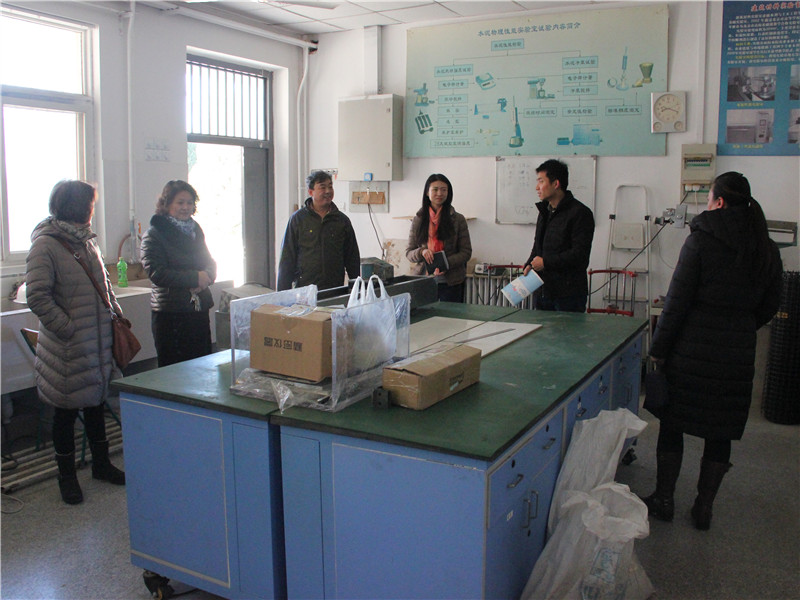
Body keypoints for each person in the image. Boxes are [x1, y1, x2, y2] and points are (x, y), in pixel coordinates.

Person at [641, 171, 782, 531]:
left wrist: (657, 350)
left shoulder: (701, 241)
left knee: (673, 424)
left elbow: (676, 303)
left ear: (718, 202)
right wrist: (740, 327)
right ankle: (704, 508)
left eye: (708, 199)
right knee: (721, 431)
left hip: (690, 352)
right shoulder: (766, 248)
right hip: (737, 355)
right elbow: (770, 305)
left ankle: (664, 499)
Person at [26, 180, 126, 505]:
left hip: (95, 343)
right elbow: (37, 297)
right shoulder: (46, 245)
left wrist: (115, 312)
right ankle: (66, 477)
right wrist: (68, 329)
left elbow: (104, 282)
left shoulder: (87, 240)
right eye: (90, 204)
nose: (92, 210)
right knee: (66, 414)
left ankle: (101, 465)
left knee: (95, 404)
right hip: (67, 348)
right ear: (78, 207)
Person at [141, 180, 217, 367]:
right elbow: (157, 273)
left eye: (189, 203)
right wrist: (194, 278)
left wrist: (207, 276)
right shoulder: (154, 234)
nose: (185, 207)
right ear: (167, 204)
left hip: (198, 310)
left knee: (201, 366)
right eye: (180, 202)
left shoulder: (195, 230)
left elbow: (209, 262)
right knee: (175, 369)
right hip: (171, 314)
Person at [521, 159, 594, 312]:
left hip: (568, 295)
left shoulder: (580, 213)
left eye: (541, 181)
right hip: (543, 291)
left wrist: (545, 262)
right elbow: (538, 246)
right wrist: (529, 263)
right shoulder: (545, 212)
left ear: (556, 184)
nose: (537, 187)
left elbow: (579, 255)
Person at [277, 170, 360, 291]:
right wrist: (282, 294)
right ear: (311, 192)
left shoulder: (342, 221)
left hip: (334, 288)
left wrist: (356, 289)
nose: (328, 191)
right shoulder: (298, 220)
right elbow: (287, 258)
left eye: (330, 187)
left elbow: (352, 258)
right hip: (305, 289)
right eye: (322, 187)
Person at [406, 174, 472, 302]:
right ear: (427, 192)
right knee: (424, 315)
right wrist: (422, 252)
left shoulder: (458, 219)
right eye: (435, 189)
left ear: (448, 193)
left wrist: (445, 264)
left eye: (444, 190)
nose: (439, 193)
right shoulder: (418, 220)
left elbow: (466, 252)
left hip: (451, 282)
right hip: (423, 281)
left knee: (450, 315)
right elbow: (409, 253)